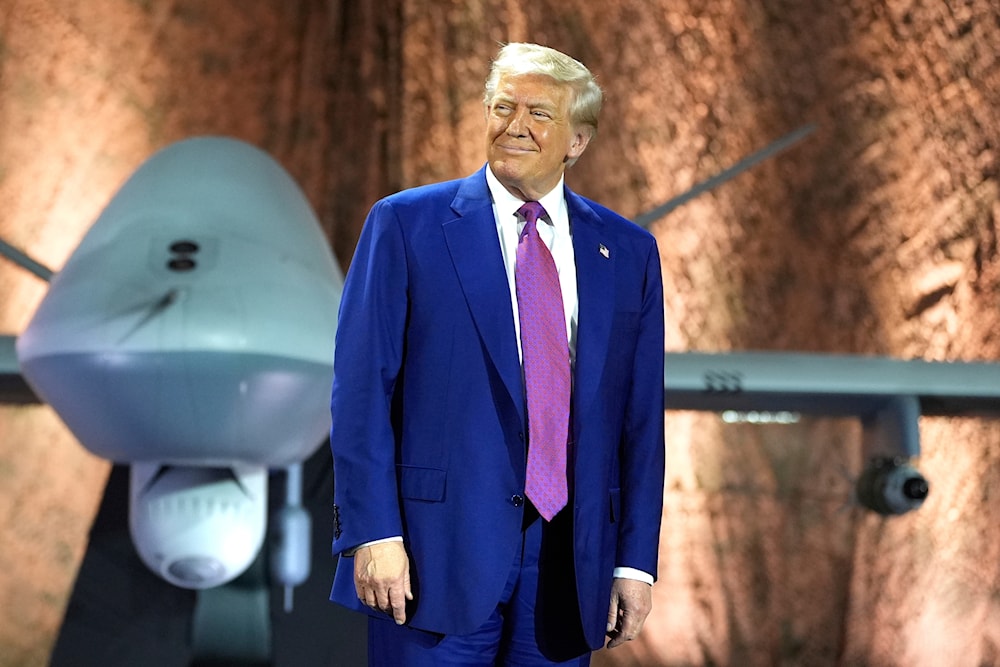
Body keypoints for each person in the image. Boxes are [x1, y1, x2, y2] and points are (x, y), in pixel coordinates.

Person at [328, 42, 665, 666]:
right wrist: (373, 533)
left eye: (538, 114)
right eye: (502, 107)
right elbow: (360, 391)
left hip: (570, 568)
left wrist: (634, 562)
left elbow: (640, 421)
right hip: (432, 559)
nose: (514, 126)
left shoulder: (628, 251)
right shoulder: (405, 224)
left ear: (577, 142)